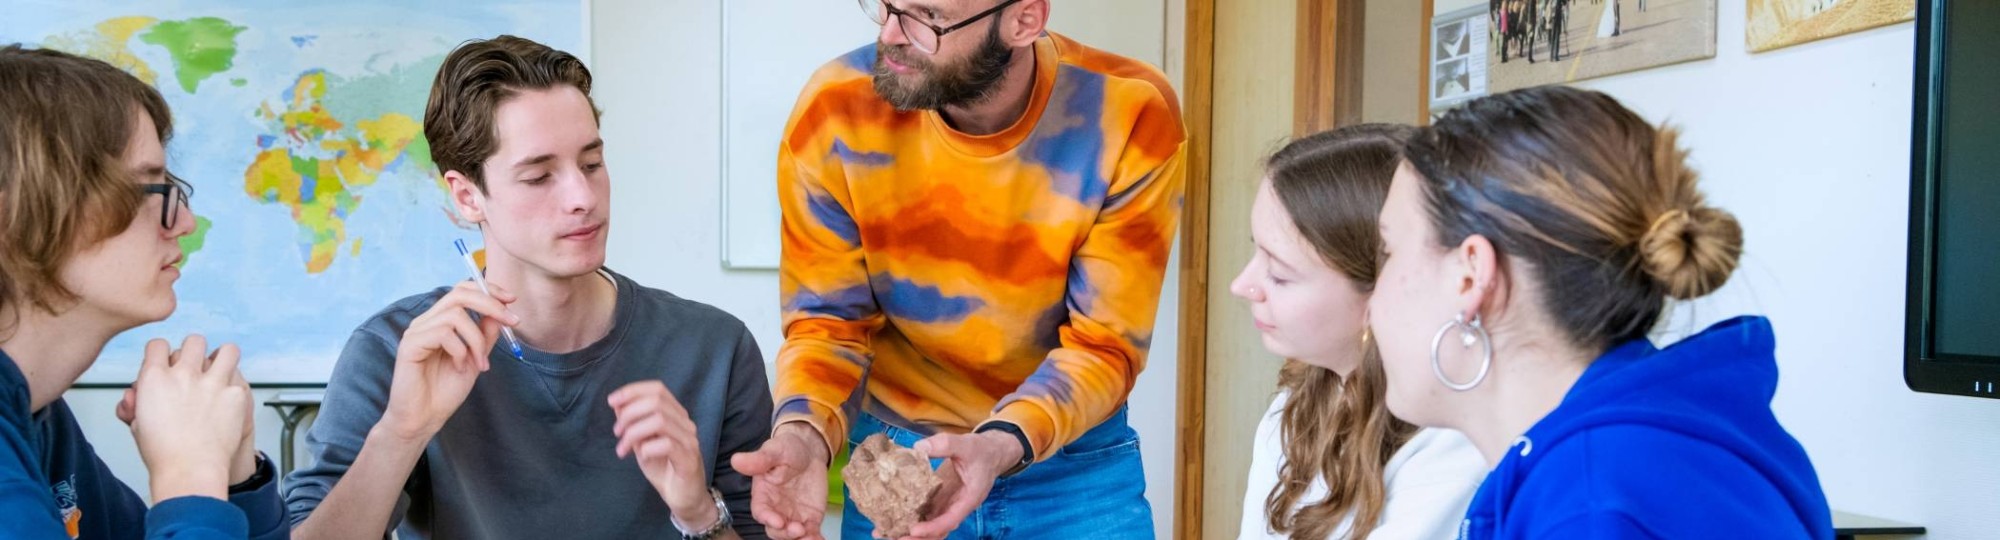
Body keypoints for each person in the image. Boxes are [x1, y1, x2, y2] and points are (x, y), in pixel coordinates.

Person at [282, 35, 772, 539]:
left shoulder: (715, 349)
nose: (583, 197)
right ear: (468, 196)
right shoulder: (395, 351)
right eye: (539, 177)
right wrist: (402, 432)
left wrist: (698, 513)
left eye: (591, 164)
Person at [732, 1, 1186, 538]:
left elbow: (1105, 344)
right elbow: (828, 325)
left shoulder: (1129, 110)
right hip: (904, 460)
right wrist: (805, 433)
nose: (893, 34)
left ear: (1024, 20)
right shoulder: (835, 110)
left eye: (927, 16)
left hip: (1070, 461)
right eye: (888, 5)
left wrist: (999, 443)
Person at [1369, 85, 1832, 537]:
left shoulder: (1589, 502)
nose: (1373, 298)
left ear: (1470, 277)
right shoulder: (1674, 439)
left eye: (1389, 251)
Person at [0, 44, 288, 539]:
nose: (185, 223)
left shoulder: (39, 418)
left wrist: (233, 476)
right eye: (146, 190)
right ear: (13, 218)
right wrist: (189, 480)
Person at [1230, 125, 1485, 540]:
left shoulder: (1456, 444)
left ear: (1383, 288)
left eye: (1279, 274)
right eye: (1255, 249)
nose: (1242, 286)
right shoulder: (1293, 409)